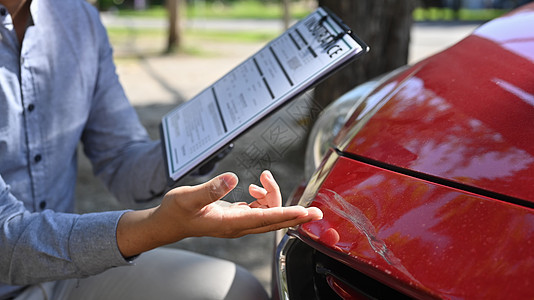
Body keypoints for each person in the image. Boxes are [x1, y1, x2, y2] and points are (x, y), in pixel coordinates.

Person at [0, 0, 323, 299]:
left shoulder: (78, 19)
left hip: (64, 272)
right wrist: (154, 228)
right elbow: (6, 240)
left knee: (238, 291)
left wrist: (209, 136)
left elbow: (122, 159)